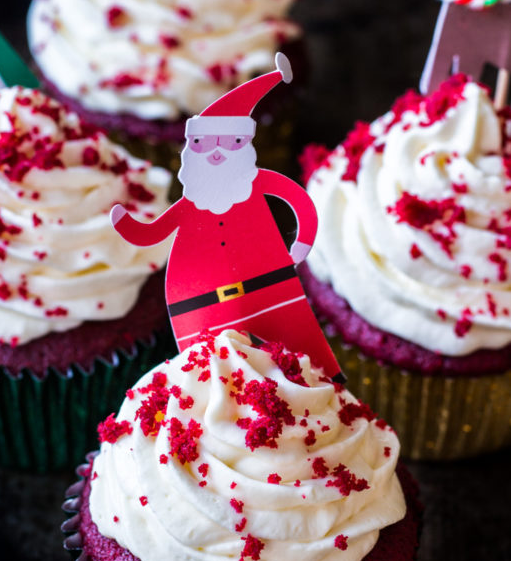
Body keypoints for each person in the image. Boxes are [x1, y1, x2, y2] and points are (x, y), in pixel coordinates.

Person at [111, 53, 343, 380]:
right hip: (200, 303)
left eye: (230, 142)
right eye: (206, 145)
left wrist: (302, 244)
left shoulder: (257, 183)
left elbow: (298, 200)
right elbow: (153, 233)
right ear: (192, 151)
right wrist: (126, 225)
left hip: (271, 288)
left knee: (306, 363)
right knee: (214, 381)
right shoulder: (191, 204)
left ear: (244, 145)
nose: (217, 152)